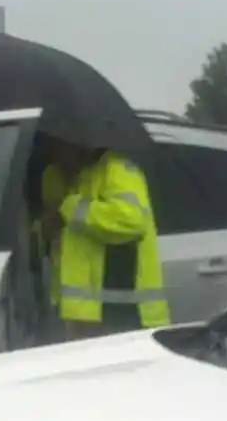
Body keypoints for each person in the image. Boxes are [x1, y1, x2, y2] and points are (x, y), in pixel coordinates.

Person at [35, 136, 170, 339]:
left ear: (78, 142)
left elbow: (131, 220)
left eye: (57, 146)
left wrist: (70, 208)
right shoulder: (70, 178)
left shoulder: (117, 170)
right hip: (82, 314)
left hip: (122, 314)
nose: (53, 154)